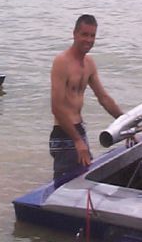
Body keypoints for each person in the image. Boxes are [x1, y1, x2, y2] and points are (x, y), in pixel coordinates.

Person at [49, 14, 125, 180]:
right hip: (64, 134)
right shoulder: (62, 62)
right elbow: (56, 107)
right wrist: (77, 141)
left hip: (79, 131)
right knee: (66, 187)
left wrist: (126, 124)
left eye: (92, 35)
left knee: (84, 182)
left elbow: (104, 98)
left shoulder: (89, 63)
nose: (89, 40)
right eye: (84, 34)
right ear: (74, 34)